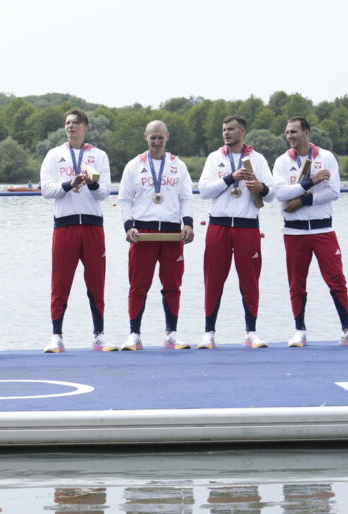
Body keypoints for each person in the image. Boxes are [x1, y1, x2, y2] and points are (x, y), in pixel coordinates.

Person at [273, 117, 348, 347]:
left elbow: (334, 191)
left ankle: (347, 330)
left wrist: (304, 200)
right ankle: (299, 330)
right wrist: (310, 183)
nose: (290, 136)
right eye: (287, 132)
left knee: (337, 280)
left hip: (323, 229)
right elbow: (280, 193)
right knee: (297, 282)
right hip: (294, 231)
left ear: (307, 133)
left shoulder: (326, 157)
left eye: (294, 131)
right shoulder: (283, 162)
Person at [197, 114, 277, 349]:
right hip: (218, 225)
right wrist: (230, 178)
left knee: (250, 281)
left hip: (247, 226)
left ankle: (251, 332)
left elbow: (272, 195)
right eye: (224, 129)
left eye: (231, 129)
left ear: (242, 132)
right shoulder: (214, 158)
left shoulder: (257, 159)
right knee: (213, 280)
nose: (226, 133)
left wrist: (260, 187)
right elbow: (203, 191)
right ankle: (208, 332)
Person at [40, 108, 113, 353]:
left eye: (76, 123)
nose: (71, 127)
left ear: (85, 127)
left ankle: (99, 335)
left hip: (93, 225)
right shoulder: (54, 155)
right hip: (65, 224)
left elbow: (105, 193)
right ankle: (56, 336)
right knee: (60, 282)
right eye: (68, 123)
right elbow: (46, 190)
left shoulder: (99, 156)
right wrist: (69, 184)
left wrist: (92, 184)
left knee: (96, 281)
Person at [117, 120, 194, 351]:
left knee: (172, 284)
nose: (157, 142)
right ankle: (134, 334)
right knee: (138, 285)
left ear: (167, 137)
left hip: (171, 232)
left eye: (161, 137)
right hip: (143, 232)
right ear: (145, 137)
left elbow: (186, 197)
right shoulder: (134, 165)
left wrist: (188, 224)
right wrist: (128, 226)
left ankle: (171, 333)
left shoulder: (178, 165)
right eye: (153, 138)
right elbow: (124, 199)